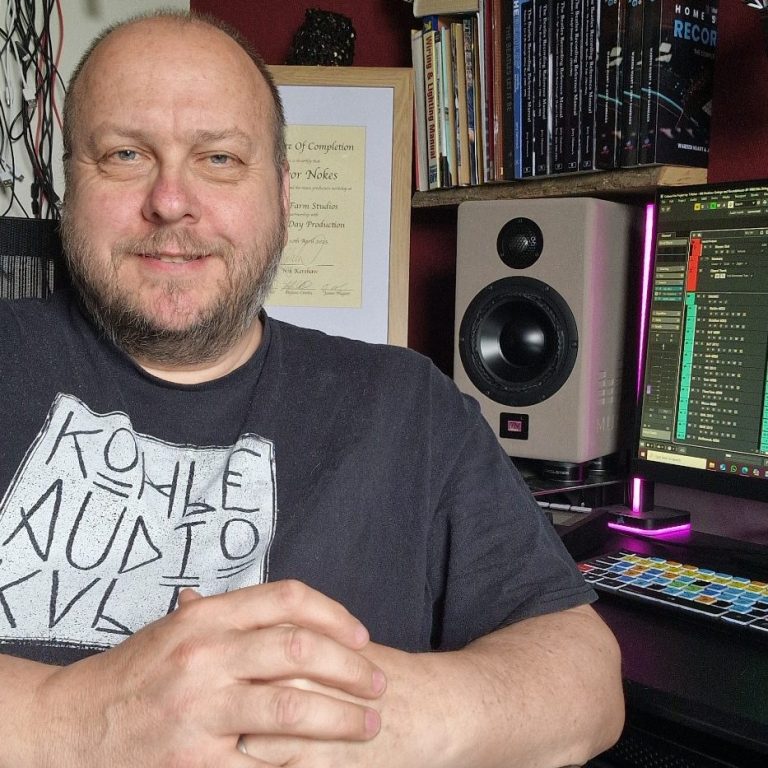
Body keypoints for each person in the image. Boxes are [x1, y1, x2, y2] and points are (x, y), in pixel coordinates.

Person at [0, 10, 623, 768]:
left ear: (285, 195)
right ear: (71, 184)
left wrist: (375, 719)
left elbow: (586, 680)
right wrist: (81, 722)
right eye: (125, 154)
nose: (170, 201)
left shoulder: (407, 404)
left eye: (220, 158)